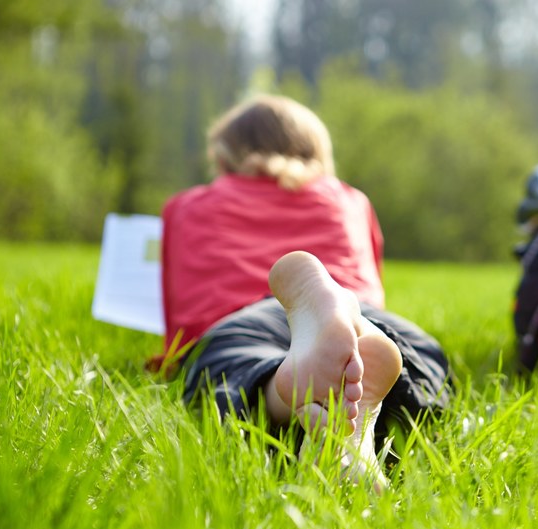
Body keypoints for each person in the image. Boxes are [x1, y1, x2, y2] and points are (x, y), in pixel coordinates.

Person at [155, 94, 451, 490]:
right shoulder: (350, 200)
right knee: (420, 365)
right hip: (360, 314)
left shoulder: (186, 206)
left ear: (223, 161)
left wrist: (172, 358)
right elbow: (373, 283)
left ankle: (284, 393)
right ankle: (356, 416)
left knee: (234, 372)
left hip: (241, 319)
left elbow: (180, 317)